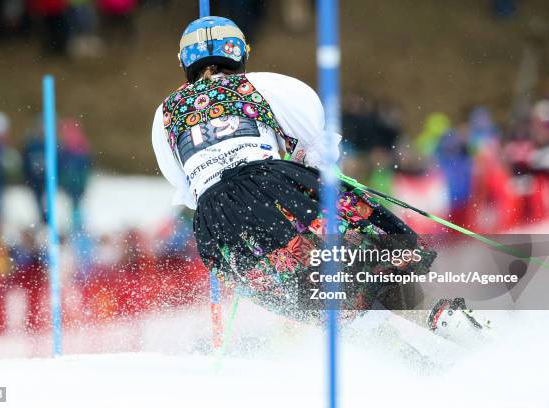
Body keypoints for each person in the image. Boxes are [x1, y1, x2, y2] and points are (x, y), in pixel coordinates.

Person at [151, 16, 485, 333]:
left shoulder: (164, 113)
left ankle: (392, 351)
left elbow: (183, 185)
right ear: (237, 52)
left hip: (215, 221)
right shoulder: (262, 85)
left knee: (317, 298)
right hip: (271, 187)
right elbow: (317, 144)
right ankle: (436, 317)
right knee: (369, 252)